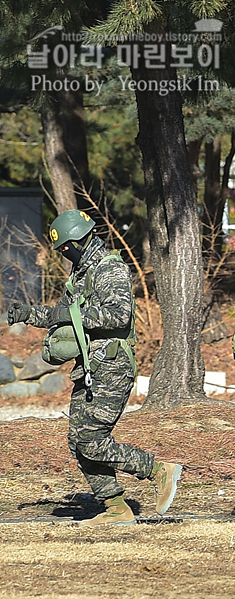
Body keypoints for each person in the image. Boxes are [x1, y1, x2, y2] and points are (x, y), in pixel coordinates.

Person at [6, 210, 181, 526]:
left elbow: (118, 315)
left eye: (64, 248)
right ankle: (116, 507)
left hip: (112, 366)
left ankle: (157, 470)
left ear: (79, 241)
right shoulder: (80, 274)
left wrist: (74, 315)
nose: (63, 254)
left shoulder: (109, 268)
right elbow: (64, 314)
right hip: (90, 368)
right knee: (78, 441)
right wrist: (30, 314)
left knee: (91, 439)